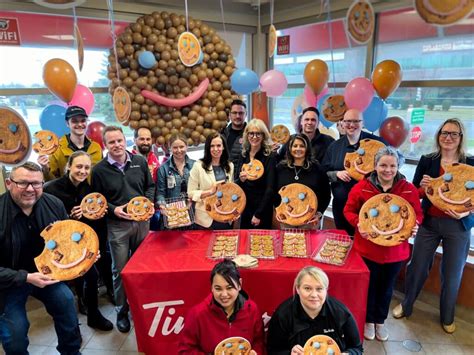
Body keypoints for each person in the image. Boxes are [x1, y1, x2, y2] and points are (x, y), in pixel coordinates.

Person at [393, 118, 474, 334]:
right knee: (417, 266)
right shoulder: (428, 160)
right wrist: (422, 187)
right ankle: (407, 304)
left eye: (453, 134)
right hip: (429, 223)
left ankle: (447, 316)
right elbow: (415, 193)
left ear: (461, 137)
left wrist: (465, 211)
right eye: (444, 133)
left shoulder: (471, 162)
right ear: (438, 136)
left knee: (452, 272)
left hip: (459, 226)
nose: (448, 137)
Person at [0, 162, 82, 354]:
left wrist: (83, 255)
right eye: (23, 183)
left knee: (66, 304)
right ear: (8, 183)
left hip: (47, 274)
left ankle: (71, 352)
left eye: (36, 184)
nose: (30, 189)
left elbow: (66, 242)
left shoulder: (53, 203)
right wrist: (26, 277)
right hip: (8, 282)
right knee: (15, 335)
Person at [343, 146, 423, 341]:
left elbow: (417, 213)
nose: (388, 170)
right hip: (368, 249)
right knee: (369, 286)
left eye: (392, 166)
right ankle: (368, 320)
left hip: (396, 251)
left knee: (387, 288)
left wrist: (415, 225)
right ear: (375, 166)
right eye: (383, 165)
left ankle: (380, 321)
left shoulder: (407, 188)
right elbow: (349, 210)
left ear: (398, 166)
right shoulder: (361, 187)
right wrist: (358, 224)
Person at [91, 126, 155, 333]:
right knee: (120, 271)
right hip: (118, 226)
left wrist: (150, 203)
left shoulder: (139, 162)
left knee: (142, 269)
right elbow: (97, 200)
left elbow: (150, 187)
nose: (117, 145)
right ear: (105, 145)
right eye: (112, 142)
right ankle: (122, 310)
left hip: (142, 223)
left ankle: (141, 307)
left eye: (120, 140)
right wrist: (113, 209)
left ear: (125, 140)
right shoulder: (99, 170)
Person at [43, 151, 113, 331]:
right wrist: (68, 216)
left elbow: (89, 219)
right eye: (79, 166)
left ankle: (93, 315)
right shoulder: (51, 189)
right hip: (58, 247)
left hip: (80, 244)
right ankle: (70, 327)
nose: (82, 171)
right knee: (63, 290)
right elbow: (46, 222)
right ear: (69, 167)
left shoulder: (87, 189)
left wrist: (97, 214)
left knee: (92, 276)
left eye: (86, 167)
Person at [267, 266, 363, 355]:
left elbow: (357, 348)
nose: (314, 295)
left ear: (326, 290)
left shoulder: (340, 312)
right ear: (298, 289)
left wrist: (348, 354)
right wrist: (290, 353)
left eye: (319, 289)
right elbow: (273, 351)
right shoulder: (282, 315)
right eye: (307, 288)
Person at [322, 109, 387, 235]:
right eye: (347, 121)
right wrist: (336, 174)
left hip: (371, 207)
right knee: (345, 240)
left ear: (363, 123)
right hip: (341, 206)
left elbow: (394, 164)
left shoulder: (377, 144)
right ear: (342, 123)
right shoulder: (334, 147)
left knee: (367, 242)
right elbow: (324, 172)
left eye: (356, 121)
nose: (351, 125)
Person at [178, 260, 264, 354]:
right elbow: (185, 350)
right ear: (211, 287)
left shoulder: (252, 310)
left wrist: (255, 352)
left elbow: (259, 341)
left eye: (229, 288)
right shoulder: (197, 314)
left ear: (239, 284)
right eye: (218, 288)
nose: (224, 294)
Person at [275, 133, 331, 229]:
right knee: (287, 243)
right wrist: (278, 210)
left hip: (310, 220)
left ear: (307, 148)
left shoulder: (317, 169)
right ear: (289, 148)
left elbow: (326, 194)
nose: (298, 149)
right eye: (295, 146)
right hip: (287, 219)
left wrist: (319, 213)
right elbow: (274, 192)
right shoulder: (281, 168)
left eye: (302, 146)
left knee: (311, 244)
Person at [37, 105, 102, 181]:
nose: (80, 124)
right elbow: (51, 182)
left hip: (92, 192)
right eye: (74, 121)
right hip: (65, 192)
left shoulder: (96, 148)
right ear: (67, 123)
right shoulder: (57, 149)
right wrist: (45, 169)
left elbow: (101, 176)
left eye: (83, 120)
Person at [188, 132, 235, 229]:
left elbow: (231, 191)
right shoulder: (198, 166)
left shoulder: (230, 166)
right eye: (212, 146)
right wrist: (209, 192)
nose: (215, 149)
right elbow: (190, 193)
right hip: (205, 219)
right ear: (207, 148)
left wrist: (234, 210)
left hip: (224, 216)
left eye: (218, 146)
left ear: (223, 147)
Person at [236, 118, 276, 229]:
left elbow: (270, 189)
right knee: (245, 241)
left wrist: (258, 214)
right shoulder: (243, 155)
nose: (254, 137)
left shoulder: (269, 156)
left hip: (262, 209)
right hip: (245, 207)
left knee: (262, 243)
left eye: (258, 133)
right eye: (251, 133)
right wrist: (241, 180)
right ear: (247, 135)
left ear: (263, 136)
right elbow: (237, 183)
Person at [155, 133, 195, 227]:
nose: (179, 150)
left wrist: (193, 200)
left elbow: (200, 189)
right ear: (170, 148)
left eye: (182, 147)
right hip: (172, 215)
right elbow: (160, 193)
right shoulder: (163, 169)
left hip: (193, 213)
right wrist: (162, 205)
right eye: (175, 147)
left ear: (187, 146)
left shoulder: (195, 165)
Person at [222, 99, 247, 166]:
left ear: (246, 114)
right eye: (234, 113)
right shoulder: (223, 133)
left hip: (243, 175)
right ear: (230, 115)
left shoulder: (251, 134)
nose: (237, 116)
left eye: (241, 113)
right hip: (225, 174)